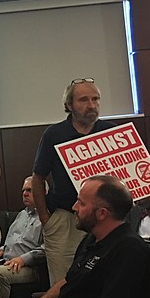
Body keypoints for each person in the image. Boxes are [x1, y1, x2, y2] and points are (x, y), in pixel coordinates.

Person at [14, 175, 150, 298]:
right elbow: (68, 280)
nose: (74, 208)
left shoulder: (129, 248)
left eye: (81, 203)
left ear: (102, 213)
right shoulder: (91, 238)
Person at [32, 78, 117, 286]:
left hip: (105, 219)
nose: (92, 105)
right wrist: (45, 218)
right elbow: (38, 176)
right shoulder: (54, 134)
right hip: (65, 218)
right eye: (84, 100)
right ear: (69, 105)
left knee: (104, 278)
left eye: (96, 99)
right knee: (62, 283)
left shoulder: (112, 131)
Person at [0, 177, 46, 298]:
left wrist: (23, 259)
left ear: (43, 193)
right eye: (24, 190)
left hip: (31, 267)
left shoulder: (47, 217)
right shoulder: (21, 214)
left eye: (30, 190)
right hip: (7, 260)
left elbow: (47, 249)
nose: (25, 194)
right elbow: (13, 240)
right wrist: (1, 250)